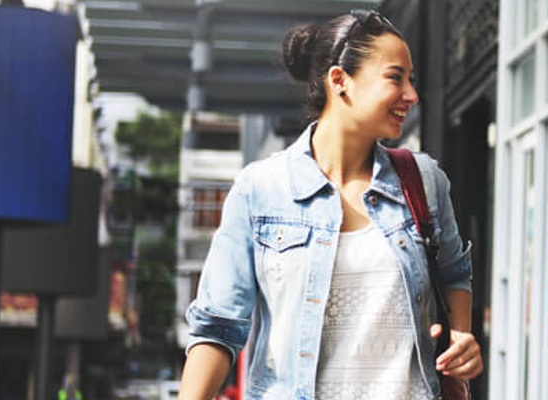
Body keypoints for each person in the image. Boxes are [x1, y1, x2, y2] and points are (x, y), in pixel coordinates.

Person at [177, 10, 480, 399]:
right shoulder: (261, 190)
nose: (412, 95)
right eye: (395, 78)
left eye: (412, 80)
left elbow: (454, 273)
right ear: (340, 81)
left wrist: (460, 339)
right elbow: (218, 328)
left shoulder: (423, 182)